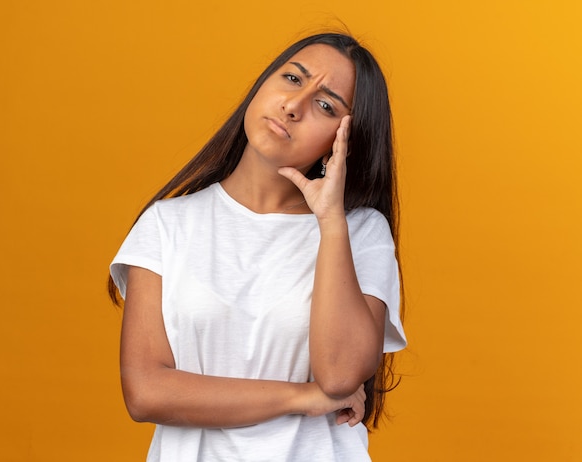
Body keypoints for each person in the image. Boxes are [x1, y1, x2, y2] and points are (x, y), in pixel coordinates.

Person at [109, 32, 407, 461]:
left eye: (325, 106)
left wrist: (330, 220)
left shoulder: (359, 232)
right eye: (290, 78)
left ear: (345, 141)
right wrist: (303, 397)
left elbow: (340, 375)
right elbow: (145, 393)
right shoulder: (168, 224)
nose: (293, 106)